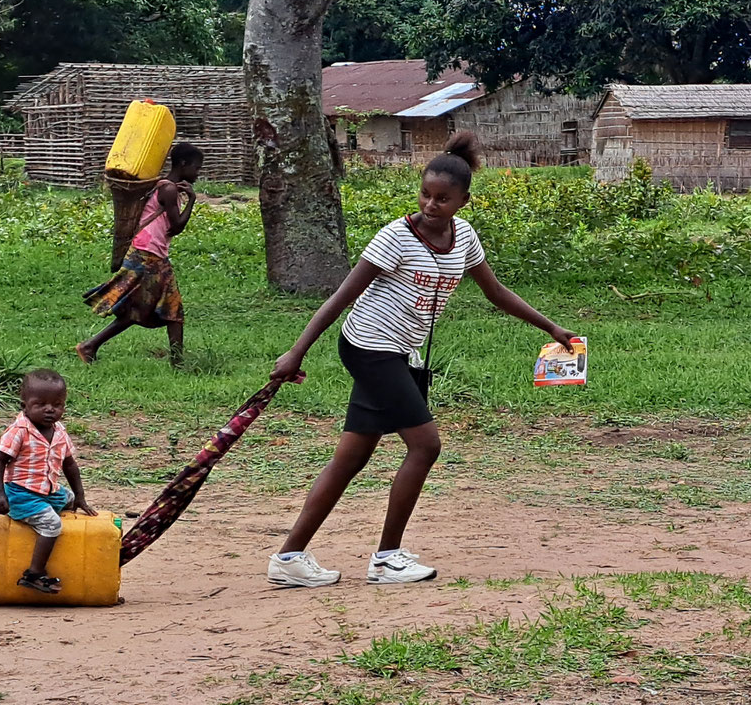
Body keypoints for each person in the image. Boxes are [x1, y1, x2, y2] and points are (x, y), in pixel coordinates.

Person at [265, 131, 575, 589]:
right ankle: (388, 558)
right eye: (426, 195)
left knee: (353, 456)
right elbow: (341, 297)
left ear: (463, 201)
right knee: (426, 445)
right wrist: (296, 351)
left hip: (401, 352)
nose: (432, 205)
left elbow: (496, 293)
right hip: (370, 347)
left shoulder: (464, 237)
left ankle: (289, 557)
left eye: (443, 198)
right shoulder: (395, 236)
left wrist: (550, 327)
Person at [80, 142, 204, 368]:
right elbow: (176, 227)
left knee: (153, 310)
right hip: (148, 256)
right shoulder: (168, 189)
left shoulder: (162, 186)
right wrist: (192, 201)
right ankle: (177, 364)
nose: (198, 173)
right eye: (196, 168)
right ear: (183, 164)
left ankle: (91, 346)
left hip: (149, 254)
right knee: (167, 310)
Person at [0, 368, 91, 594]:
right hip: (21, 494)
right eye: (40, 404)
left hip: (48, 490)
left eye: (57, 404)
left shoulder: (60, 431)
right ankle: (34, 573)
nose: (50, 409)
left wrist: (81, 497)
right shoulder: (19, 432)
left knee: (70, 498)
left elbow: (70, 465)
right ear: (24, 404)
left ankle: (58, 507)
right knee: (52, 524)